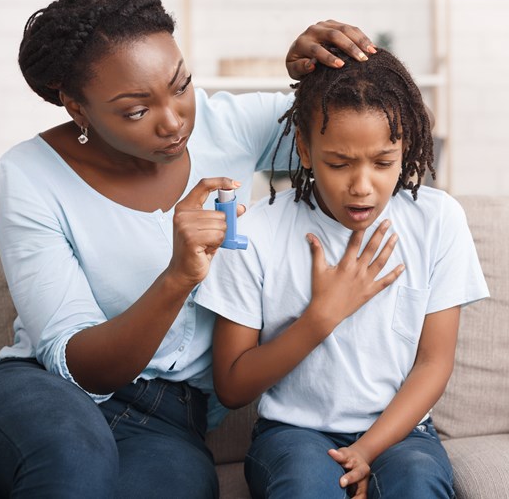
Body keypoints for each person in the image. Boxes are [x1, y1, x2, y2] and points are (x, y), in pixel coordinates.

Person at [0, 0, 379, 497]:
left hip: (169, 418)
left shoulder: (227, 124)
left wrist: (319, 79)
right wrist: (178, 277)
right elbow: (77, 366)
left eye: (181, 85)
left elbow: (385, 133)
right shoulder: (29, 174)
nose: (174, 121)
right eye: (137, 110)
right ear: (77, 108)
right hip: (43, 392)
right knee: (74, 461)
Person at [194, 47, 490, 499]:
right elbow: (232, 386)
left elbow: (434, 362)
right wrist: (321, 318)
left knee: (417, 482)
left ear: (405, 148)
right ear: (304, 150)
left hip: (403, 433)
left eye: (383, 162)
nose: (361, 185)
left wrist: (368, 449)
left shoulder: (438, 220)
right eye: (339, 163)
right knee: (305, 486)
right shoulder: (257, 230)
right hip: (293, 434)